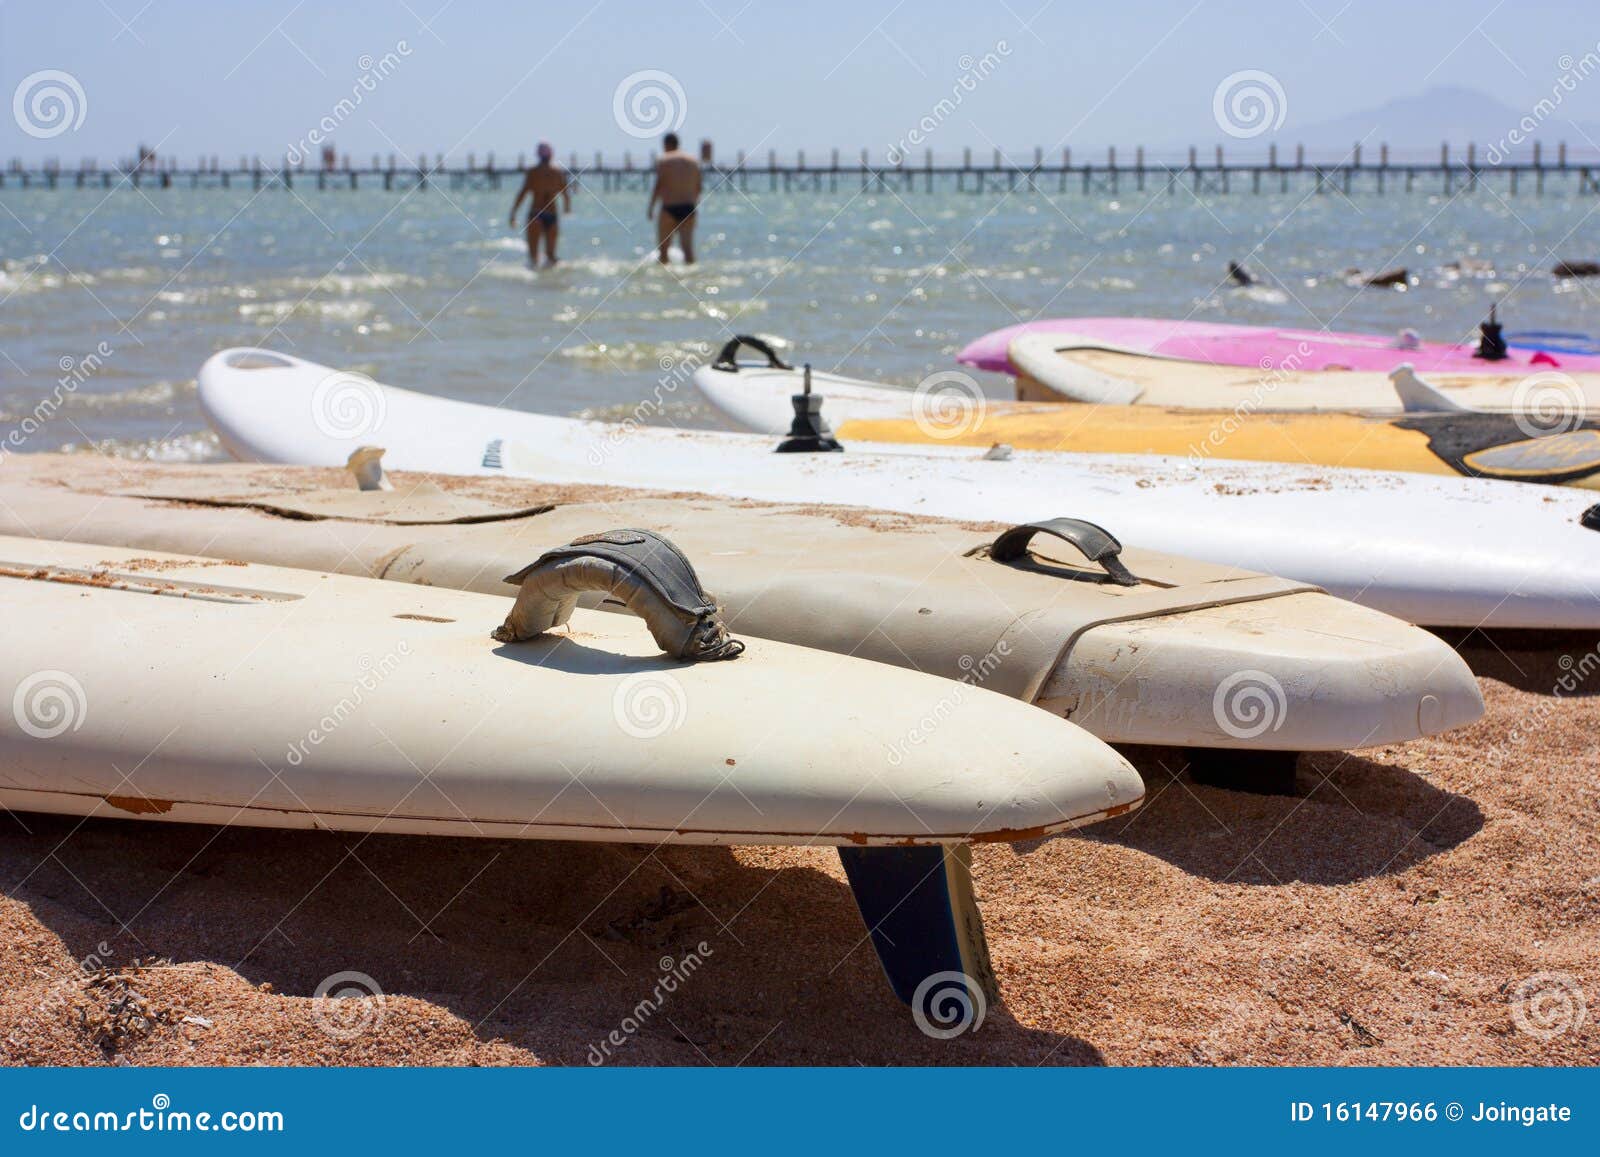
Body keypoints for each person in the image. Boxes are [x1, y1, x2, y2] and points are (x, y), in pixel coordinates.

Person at [509, 142, 572, 267]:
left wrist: (513, 213)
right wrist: (567, 209)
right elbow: (565, 194)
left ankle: (533, 283)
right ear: (551, 154)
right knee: (551, 257)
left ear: (538, 155)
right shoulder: (557, 172)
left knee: (533, 258)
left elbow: (523, 193)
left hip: (535, 213)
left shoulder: (533, 172)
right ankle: (549, 283)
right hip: (552, 214)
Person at [646, 132, 702, 265]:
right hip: (688, 207)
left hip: (669, 207)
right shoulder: (693, 161)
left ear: (666, 144)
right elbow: (698, 187)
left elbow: (659, 186)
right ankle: (692, 277)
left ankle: (665, 280)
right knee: (688, 250)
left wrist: (651, 207)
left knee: (663, 252)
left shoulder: (664, 159)